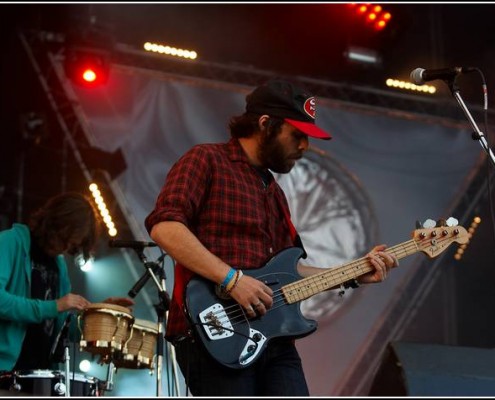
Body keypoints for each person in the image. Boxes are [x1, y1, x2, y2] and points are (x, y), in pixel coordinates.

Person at [144, 79, 399, 396]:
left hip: (274, 341)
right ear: (265, 124)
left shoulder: (275, 193)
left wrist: (356, 273)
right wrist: (232, 280)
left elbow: (292, 272)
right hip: (214, 332)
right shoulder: (205, 160)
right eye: (297, 135)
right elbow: (165, 227)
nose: (305, 146)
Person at [0, 192, 134, 378]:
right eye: (65, 240)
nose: (65, 248)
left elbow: (61, 328)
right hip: (5, 371)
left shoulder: (59, 266)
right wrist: (54, 306)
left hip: (41, 377)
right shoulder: (10, 242)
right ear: (55, 222)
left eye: (72, 247)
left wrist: (99, 316)